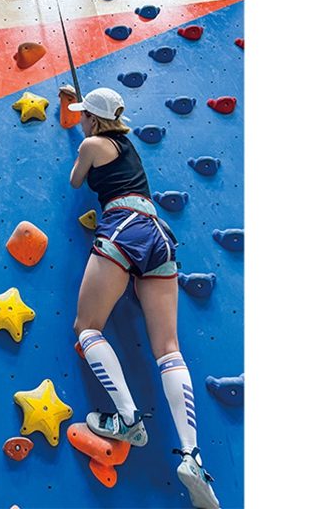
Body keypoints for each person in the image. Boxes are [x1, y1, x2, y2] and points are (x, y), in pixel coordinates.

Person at [63, 85, 220, 509]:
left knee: (86, 327)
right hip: (158, 233)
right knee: (169, 349)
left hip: (123, 226)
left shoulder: (92, 143)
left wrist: (78, 129)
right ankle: (192, 456)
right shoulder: (127, 145)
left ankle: (128, 418)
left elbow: (77, 178)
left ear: (92, 120)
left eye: (84, 116)